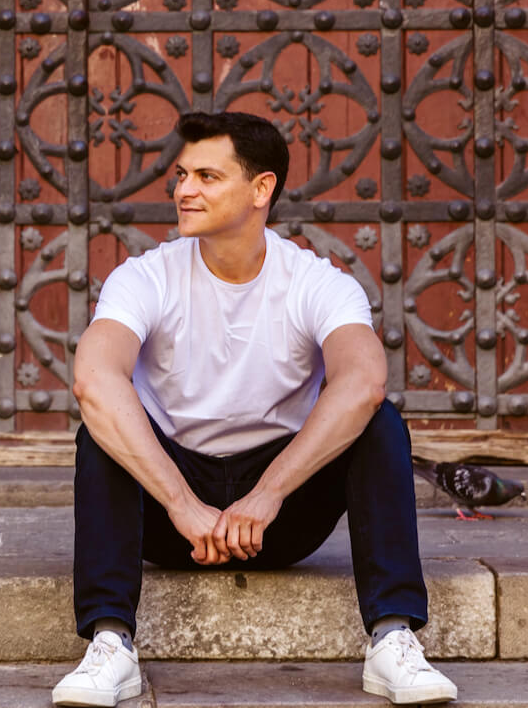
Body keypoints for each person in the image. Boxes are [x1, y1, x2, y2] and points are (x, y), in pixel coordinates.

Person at [51, 111, 457, 707]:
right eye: (182, 175)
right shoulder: (145, 277)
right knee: (102, 426)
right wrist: (182, 503)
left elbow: (364, 379)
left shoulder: (316, 282)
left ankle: (393, 637)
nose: (185, 190)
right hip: (169, 515)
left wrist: (267, 494)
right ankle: (110, 644)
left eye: (208, 177)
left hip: (278, 515)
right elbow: (93, 377)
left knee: (379, 420)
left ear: (261, 189)